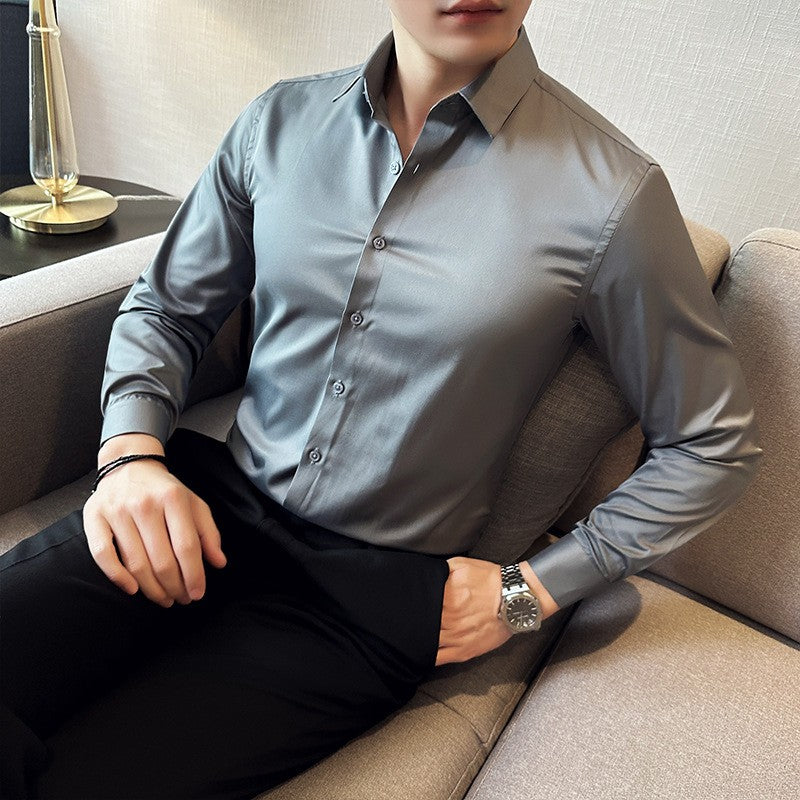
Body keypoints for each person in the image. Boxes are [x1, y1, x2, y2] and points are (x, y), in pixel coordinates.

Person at [0, 1, 762, 798]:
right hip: (204, 506)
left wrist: (527, 596)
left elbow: (713, 444)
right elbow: (167, 309)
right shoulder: (278, 123)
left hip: (362, 606)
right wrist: (129, 457)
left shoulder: (611, 192)